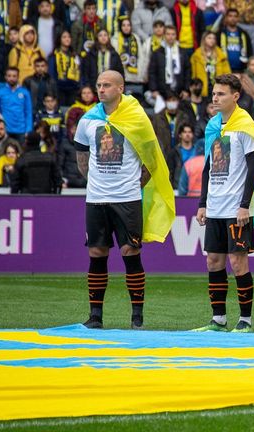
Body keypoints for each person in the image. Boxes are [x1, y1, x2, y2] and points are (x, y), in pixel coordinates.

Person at [74, 70, 175, 330]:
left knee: (131, 252)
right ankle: (95, 316)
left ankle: (137, 316)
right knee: (97, 253)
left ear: (120, 89)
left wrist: (132, 186)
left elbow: (152, 161)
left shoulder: (137, 119)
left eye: (107, 85)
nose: (101, 89)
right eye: (98, 85)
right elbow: (82, 159)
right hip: (96, 199)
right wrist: (95, 183)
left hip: (127, 200)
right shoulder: (88, 121)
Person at [193, 74, 254, 332]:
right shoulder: (213, 127)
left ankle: (245, 320)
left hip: (236, 208)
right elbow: (209, 167)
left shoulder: (245, 126)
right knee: (214, 261)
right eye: (214, 93)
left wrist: (245, 204)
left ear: (235, 96)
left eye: (221, 94)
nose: (215, 98)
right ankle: (218, 319)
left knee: (238, 261)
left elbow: (253, 167)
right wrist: (202, 203)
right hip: (214, 207)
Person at [148, 25, 192, 100]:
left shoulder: (182, 52)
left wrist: (186, 89)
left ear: (176, 36)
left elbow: (187, 72)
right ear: (164, 35)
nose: (170, 36)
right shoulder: (157, 53)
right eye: (168, 34)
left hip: (179, 91)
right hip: (161, 91)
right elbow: (152, 73)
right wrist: (154, 89)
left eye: (173, 34)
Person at [0, 67, 34, 143]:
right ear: (5, 77)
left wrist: (28, 130)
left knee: (21, 153)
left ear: (18, 77)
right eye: (9, 76)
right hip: (5, 129)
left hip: (21, 129)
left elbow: (28, 112)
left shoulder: (25, 93)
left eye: (14, 76)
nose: (11, 78)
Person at [191, 32, 232, 98]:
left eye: (213, 38)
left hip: (217, 88)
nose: (212, 40)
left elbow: (227, 74)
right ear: (204, 39)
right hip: (202, 88)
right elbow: (193, 74)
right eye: (209, 38)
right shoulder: (196, 55)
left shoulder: (221, 55)